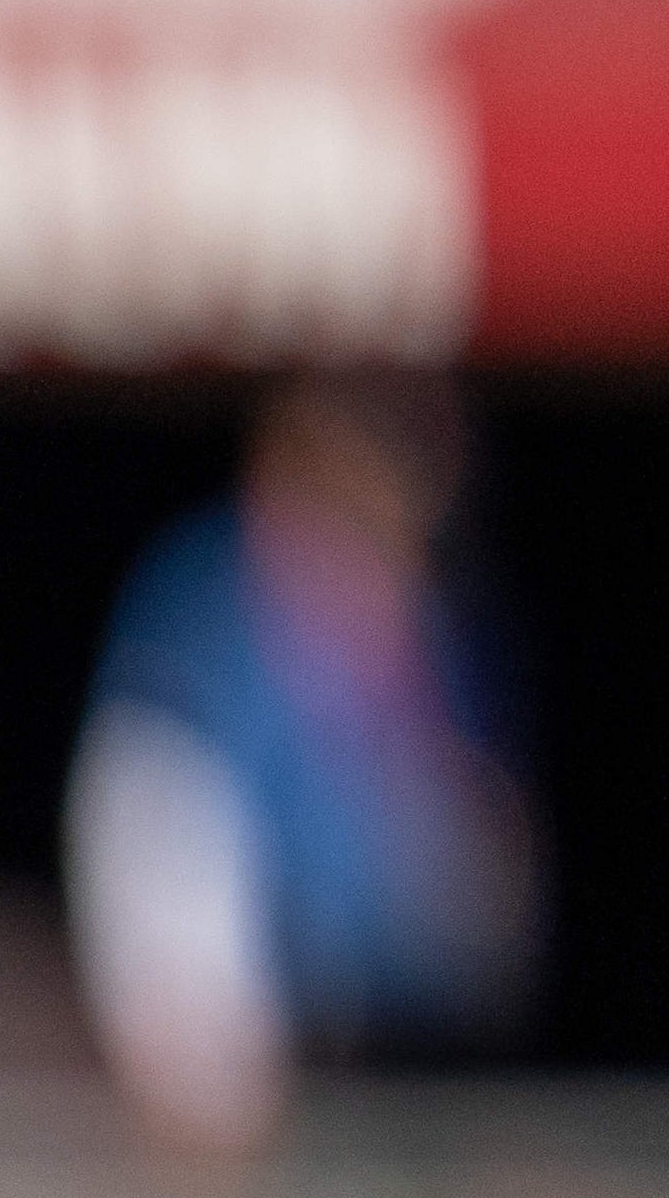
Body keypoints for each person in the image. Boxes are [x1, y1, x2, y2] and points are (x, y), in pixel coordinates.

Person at [68, 372, 537, 1148]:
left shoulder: (435, 642)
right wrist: (203, 1084)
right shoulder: (195, 635)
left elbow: (478, 920)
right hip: (245, 1102)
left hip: (412, 1084)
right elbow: (159, 900)